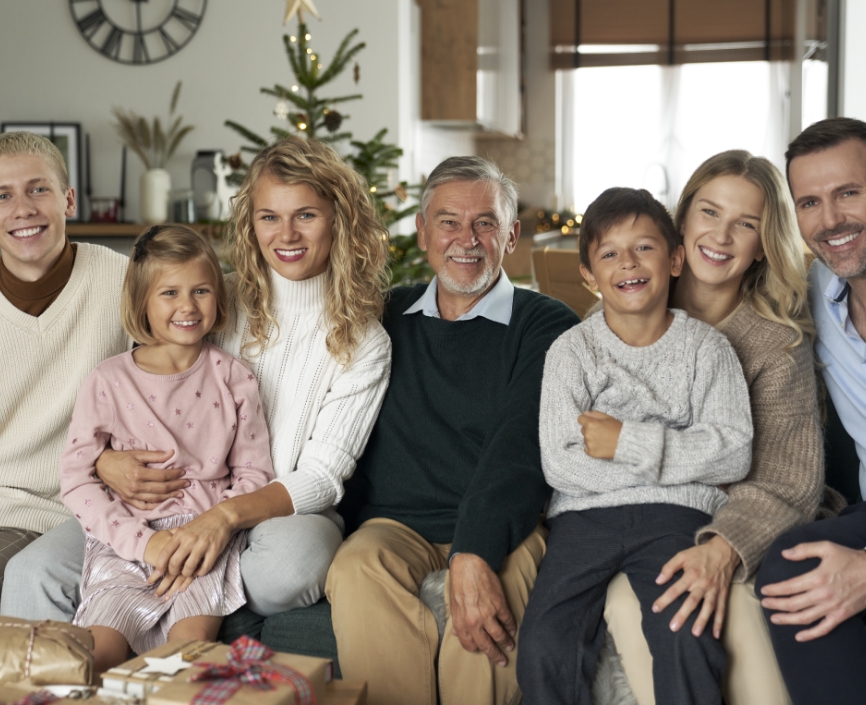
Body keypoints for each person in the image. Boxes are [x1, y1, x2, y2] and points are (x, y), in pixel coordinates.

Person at [3, 136, 392, 621]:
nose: (286, 234)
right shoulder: (211, 303)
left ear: (339, 219)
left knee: (288, 570)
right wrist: (105, 464)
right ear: (251, 224)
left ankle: (180, 596)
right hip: (158, 506)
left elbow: (323, 475)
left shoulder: (364, 341)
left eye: (306, 215)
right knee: (32, 571)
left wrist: (218, 521)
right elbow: (137, 396)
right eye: (269, 217)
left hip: (277, 509)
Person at [326, 156, 579, 705]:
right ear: (422, 231)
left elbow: (522, 446)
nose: (466, 239)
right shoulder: (384, 315)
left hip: (508, 528)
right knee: (355, 567)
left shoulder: (548, 324)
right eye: (448, 221)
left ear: (511, 236)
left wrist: (474, 551)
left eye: (485, 223)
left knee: (490, 615)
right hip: (396, 526)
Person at [603, 151, 826, 705]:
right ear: (682, 221)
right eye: (709, 212)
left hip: (739, 525)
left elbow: (788, 480)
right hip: (636, 525)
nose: (721, 235)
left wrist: (725, 547)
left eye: (745, 224)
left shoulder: (776, 344)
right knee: (635, 601)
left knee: (738, 609)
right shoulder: (616, 317)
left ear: (762, 244)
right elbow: (594, 446)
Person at [517, 187, 753, 705]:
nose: (628, 263)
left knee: (686, 634)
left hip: (676, 517)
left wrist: (626, 442)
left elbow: (733, 451)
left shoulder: (708, 350)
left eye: (644, 248)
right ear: (588, 274)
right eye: (608, 253)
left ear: (675, 259)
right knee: (542, 643)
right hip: (583, 520)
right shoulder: (570, 352)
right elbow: (561, 464)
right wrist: (681, 461)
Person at [61, 226, 274, 671]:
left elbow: (254, 473)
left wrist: (207, 535)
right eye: (169, 293)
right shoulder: (108, 380)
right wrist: (146, 543)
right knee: (98, 656)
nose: (187, 306)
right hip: (126, 539)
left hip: (204, 541)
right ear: (142, 302)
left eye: (201, 291)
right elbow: (76, 478)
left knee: (185, 659)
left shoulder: (235, 378)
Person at [756, 117, 866, 705]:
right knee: (792, 565)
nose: (831, 221)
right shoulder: (813, 298)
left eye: (849, 192)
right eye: (810, 203)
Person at [0, 132, 128, 606]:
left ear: (69, 199)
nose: (23, 208)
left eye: (39, 189)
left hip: (86, 507)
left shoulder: (123, 282)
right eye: (3, 195)